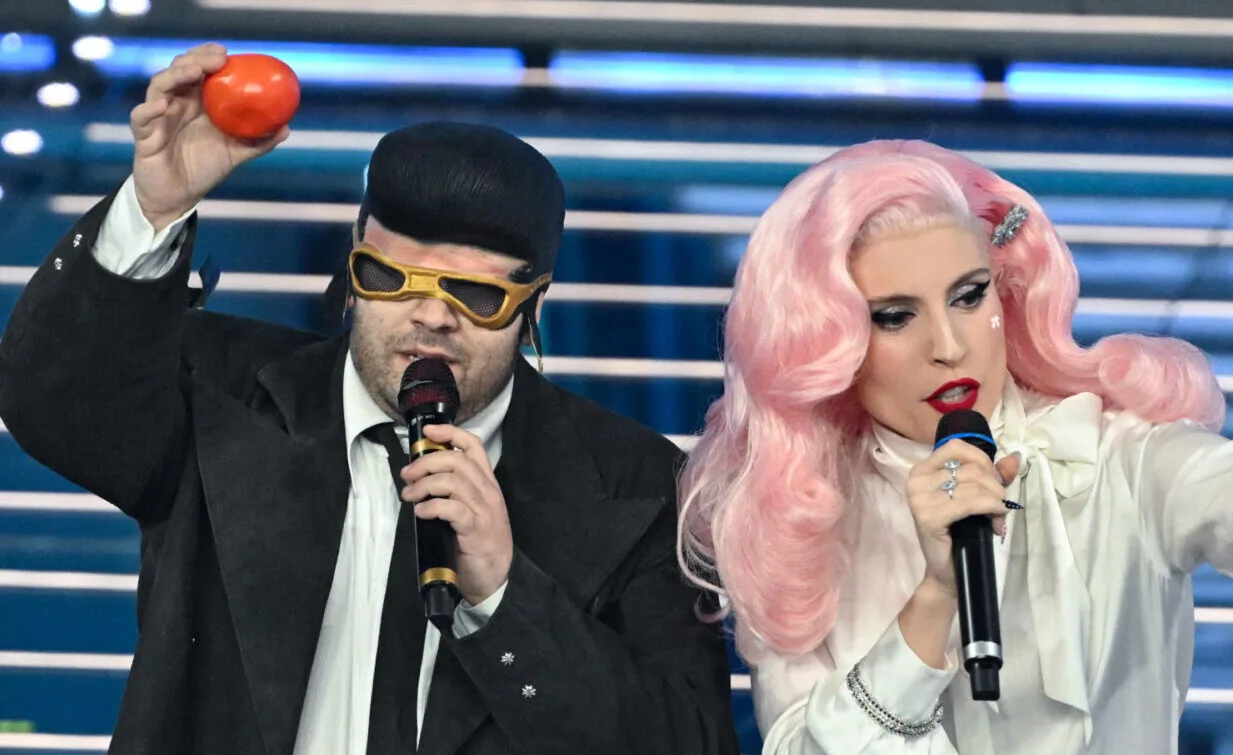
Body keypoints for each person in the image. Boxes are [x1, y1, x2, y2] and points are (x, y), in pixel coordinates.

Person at [0, 42, 738, 755]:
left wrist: (505, 597)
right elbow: (50, 403)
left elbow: (689, 741)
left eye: (475, 296)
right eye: (391, 279)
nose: (431, 316)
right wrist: (153, 206)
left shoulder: (636, 486)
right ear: (352, 273)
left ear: (532, 305)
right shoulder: (220, 394)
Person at [675, 138, 1233, 754]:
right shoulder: (799, 527)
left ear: (1004, 293)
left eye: (968, 296)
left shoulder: (1117, 457)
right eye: (895, 316)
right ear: (829, 342)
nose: (949, 347)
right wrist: (933, 597)